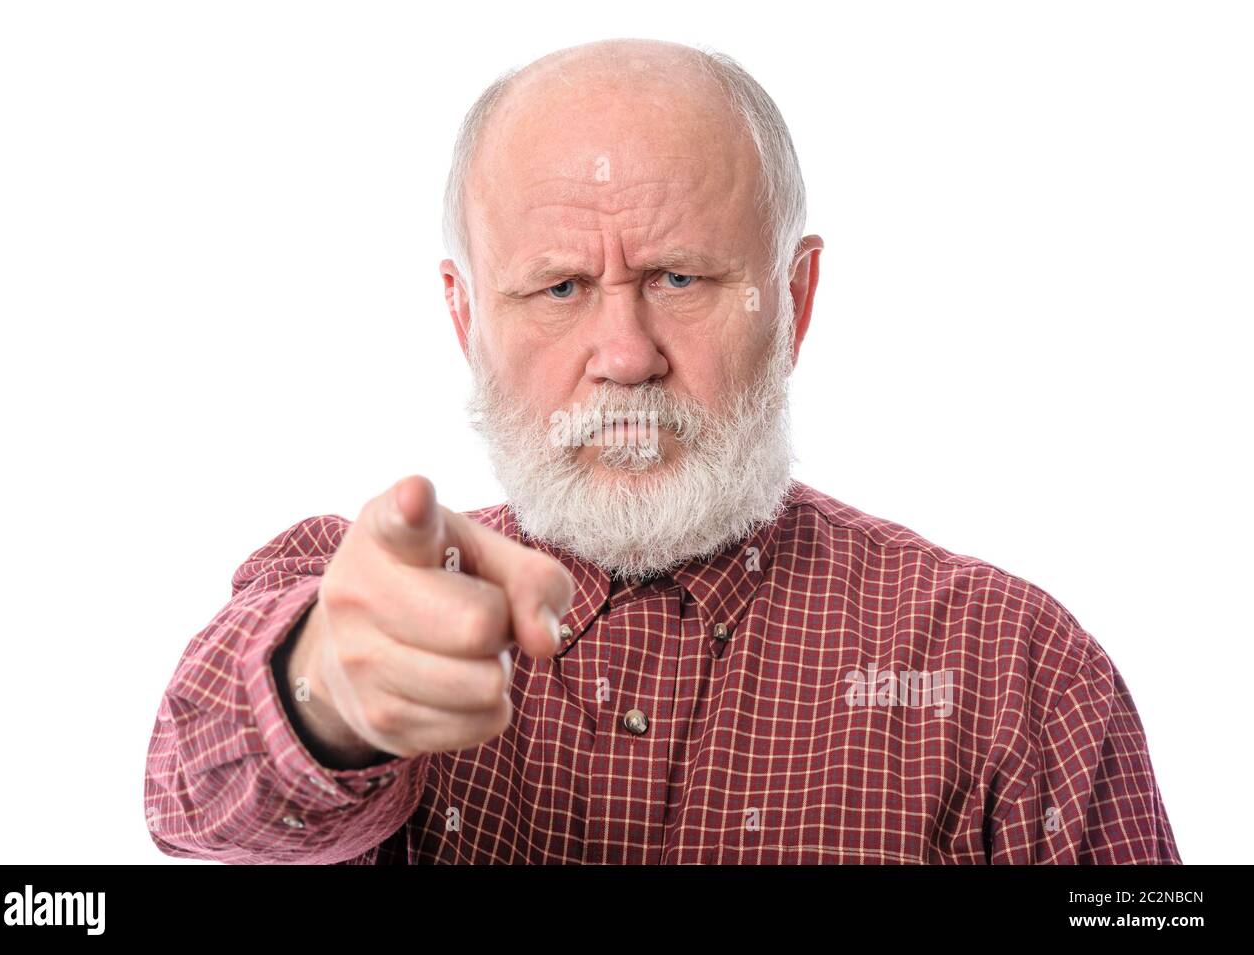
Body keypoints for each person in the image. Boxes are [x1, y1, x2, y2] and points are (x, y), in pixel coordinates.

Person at [144, 37, 1180, 864]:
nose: (625, 356)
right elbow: (194, 789)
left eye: (679, 278)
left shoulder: (1017, 672)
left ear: (793, 302)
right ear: (465, 319)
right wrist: (326, 690)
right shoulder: (370, 594)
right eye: (558, 288)